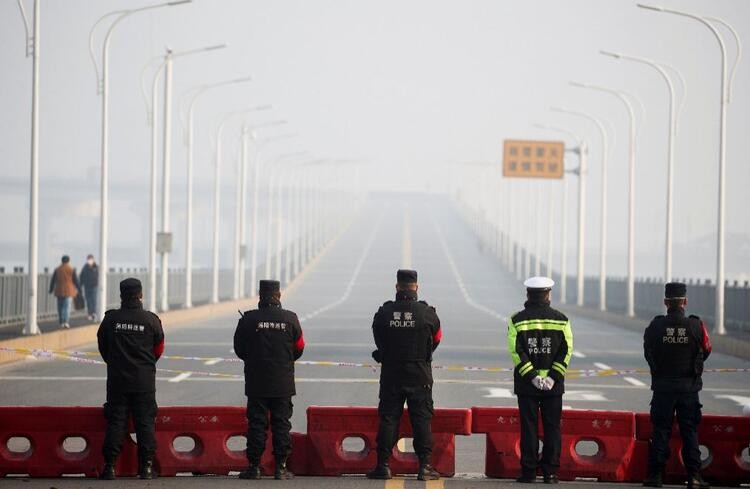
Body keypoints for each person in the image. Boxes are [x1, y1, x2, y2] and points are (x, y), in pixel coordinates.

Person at [367, 269, 442, 481]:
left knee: (389, 418)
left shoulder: (384, 313)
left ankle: (383, 465)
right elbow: (436, 338)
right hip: (419, 374)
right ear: (416, 287)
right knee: (421, 419)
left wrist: (386, 355)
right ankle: (424, 466)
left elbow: (378, 339)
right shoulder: (427, 313)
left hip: (392, 374)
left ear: (397, 287)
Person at [643, 282, 712, 489]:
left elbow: (648, 352)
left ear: (665, 302)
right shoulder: (696, 326)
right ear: (685, 301)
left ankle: (655, 476)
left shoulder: (655, 326)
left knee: (661, 430)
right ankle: (694, 476)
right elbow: (706, 349)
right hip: (689, 389)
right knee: (689, 431)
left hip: (662, 388)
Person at [233, 280, 305, 480]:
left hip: (257, 381)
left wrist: (254, 359)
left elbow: (239, 348)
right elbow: (299, 347)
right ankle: (281, 468)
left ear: (260, 295)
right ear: (279, 295)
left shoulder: (248, 320)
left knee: (256, 423)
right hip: (283, 381)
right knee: (282, 424)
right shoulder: (291, 319)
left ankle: (254, 467)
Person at [97, 278, 165, 480]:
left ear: (121, 296)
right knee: (145, 423)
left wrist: (115, 363)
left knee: (116, 422)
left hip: (117, 381)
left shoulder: (110, 320)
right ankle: (147, 467)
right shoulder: (151, 320)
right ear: (141, 295)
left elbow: (103, 347)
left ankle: (109, 467)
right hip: (144, 382)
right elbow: (158, 350)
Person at [507, 276, 573, 484]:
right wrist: (553, 377)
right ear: (548, 295)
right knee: (552, 427)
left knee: (529, 427)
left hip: (527, 385)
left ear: (528, 294)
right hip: (554, 387)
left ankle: (528, 472)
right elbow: (567, 350)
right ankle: (551, 473)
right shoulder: (562, 319)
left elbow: (516, 351)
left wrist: (533, 376)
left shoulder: (516, 320)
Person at [49, 255, 81, 329]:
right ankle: (66, 322)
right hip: (69, 291)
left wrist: (51, 289)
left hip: (59, 291)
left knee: (60, 307)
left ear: (62, 261)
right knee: (66, 307)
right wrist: (79, 289)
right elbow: (76, 281)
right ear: (68, 261)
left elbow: (53, 281)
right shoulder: (71, 269)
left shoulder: (57, 269)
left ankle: (61, 322)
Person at [80, 254, 99, 322]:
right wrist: (80, 284)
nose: (89, 261)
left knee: (94, 300)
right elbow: (81, 276)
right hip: (87, 286)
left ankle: (94, 313)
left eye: (91, 259)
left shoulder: (96, 267)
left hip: (94, 286)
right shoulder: (85, 267)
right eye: (88, 259)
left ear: (93, 259)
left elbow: (99, 275)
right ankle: (90, 314)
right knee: (88, 301)